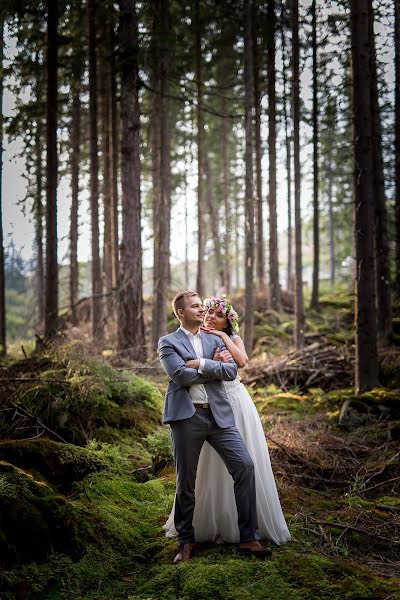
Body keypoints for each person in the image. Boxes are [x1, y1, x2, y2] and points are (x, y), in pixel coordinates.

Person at [163, 295, 291, 546]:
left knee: (245, 466)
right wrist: (213, 368)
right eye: (197, 306)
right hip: (187, 418)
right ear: (181, 312)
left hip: (220, 415)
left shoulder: (214, 338)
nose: (203, 310)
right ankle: (186, 542)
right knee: (186, 480)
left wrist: (199, 363)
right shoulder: (168, 342)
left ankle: (248, 537)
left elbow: (231, 371)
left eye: (205, 306)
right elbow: (179, 375)